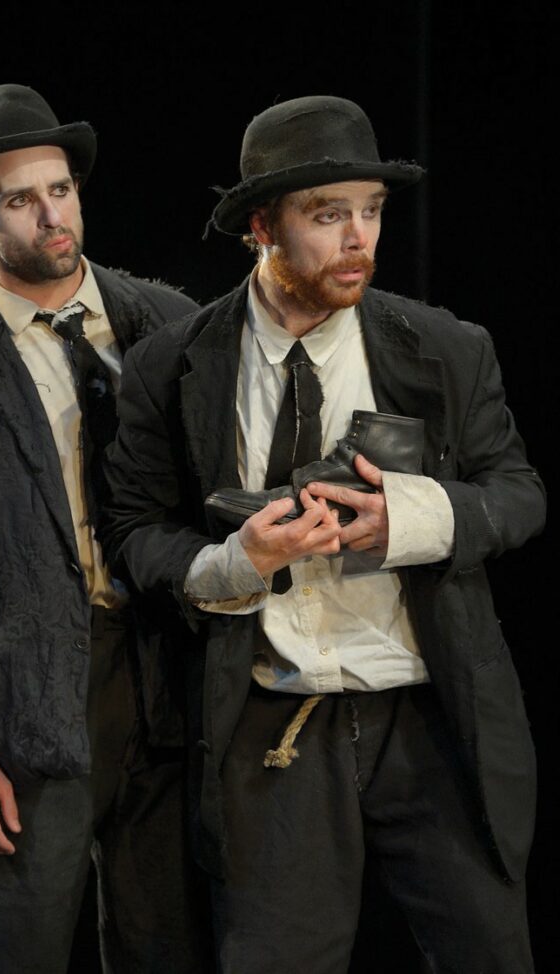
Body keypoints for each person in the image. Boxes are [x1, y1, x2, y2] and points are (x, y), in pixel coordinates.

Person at [101, 95, 546, 973]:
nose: (359, 240)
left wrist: (409, 519)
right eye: (328, 214)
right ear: (261, 227)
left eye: (371, 212)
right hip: (274, 720)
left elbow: (518, 494)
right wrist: (233, 563)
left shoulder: (446, 349)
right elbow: (133, 528)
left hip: (428, 713)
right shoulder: (173, 365)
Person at [0, 83, 209, 974]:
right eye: (20, 200)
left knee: (167, 942)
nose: (52, 215)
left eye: (60, 190)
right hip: (37, 694)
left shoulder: (167, 324)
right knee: (20, 947)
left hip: (165, 672)